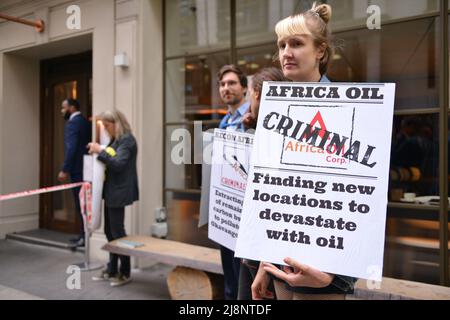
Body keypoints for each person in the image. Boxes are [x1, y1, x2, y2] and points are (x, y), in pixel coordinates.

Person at [251, 3, 358, 300]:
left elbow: (360, 197)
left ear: (320, 51)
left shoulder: (352, 107)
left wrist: (332, 272)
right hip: (282, 260)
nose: (286, 52)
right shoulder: (276, 111)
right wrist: (264, 263)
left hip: (325, 269)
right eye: (282, 44)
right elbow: (271, 191)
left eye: (296, 43)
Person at [238, 67, 287, 300]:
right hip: (262, 251)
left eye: (248, 93)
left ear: (256, 93)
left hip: (262, 252)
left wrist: (263, 266)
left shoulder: (268, 140)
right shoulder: (277, 131)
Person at [88, 110, 139, 287]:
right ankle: (112, 269)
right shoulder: (116, 140)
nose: (106, 130)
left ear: (117, 123)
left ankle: (124, 272)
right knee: (110, 232)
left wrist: (99, 151)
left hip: (119, 191)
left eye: (107, 126)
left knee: (117, 233)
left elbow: (118, 164)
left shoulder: (127, 140)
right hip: (112, 190)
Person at [217, 64, 250, 299]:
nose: (226, 88)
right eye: (222, 84)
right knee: (229, 272)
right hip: (226, 207)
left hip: (246, 209)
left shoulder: (254, 117)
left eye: (231, 83)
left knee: (243, 277)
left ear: (245, 88)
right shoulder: (225, 121)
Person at [58, 98, 91, 247]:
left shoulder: (72, 124)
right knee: (85, 204)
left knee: (80, 205)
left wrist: (65, 169)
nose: (62, 111)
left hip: (77, 171)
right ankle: (84, 235)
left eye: (64, 108)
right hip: (88, 168)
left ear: (71, 108)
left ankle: (84, 237)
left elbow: (71, 148)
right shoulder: (85, 122)